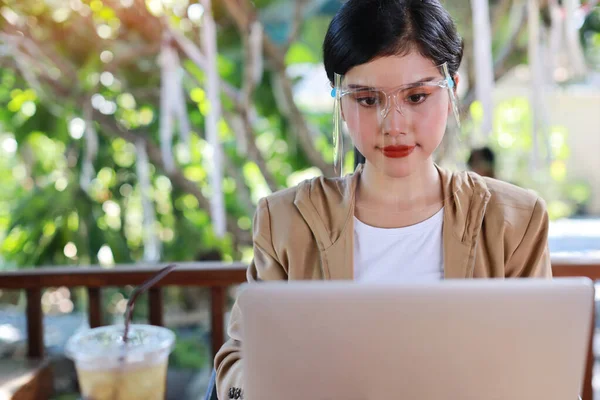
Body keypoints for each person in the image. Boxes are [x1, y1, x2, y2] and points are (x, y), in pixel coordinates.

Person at [215, 0, 552, 398]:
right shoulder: (287, 220)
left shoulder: (513, 221)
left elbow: (542, 368)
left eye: (416, 97)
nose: (394, 125)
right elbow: (238, 362)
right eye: (368, 100)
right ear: (340, 101)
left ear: (451, 90)